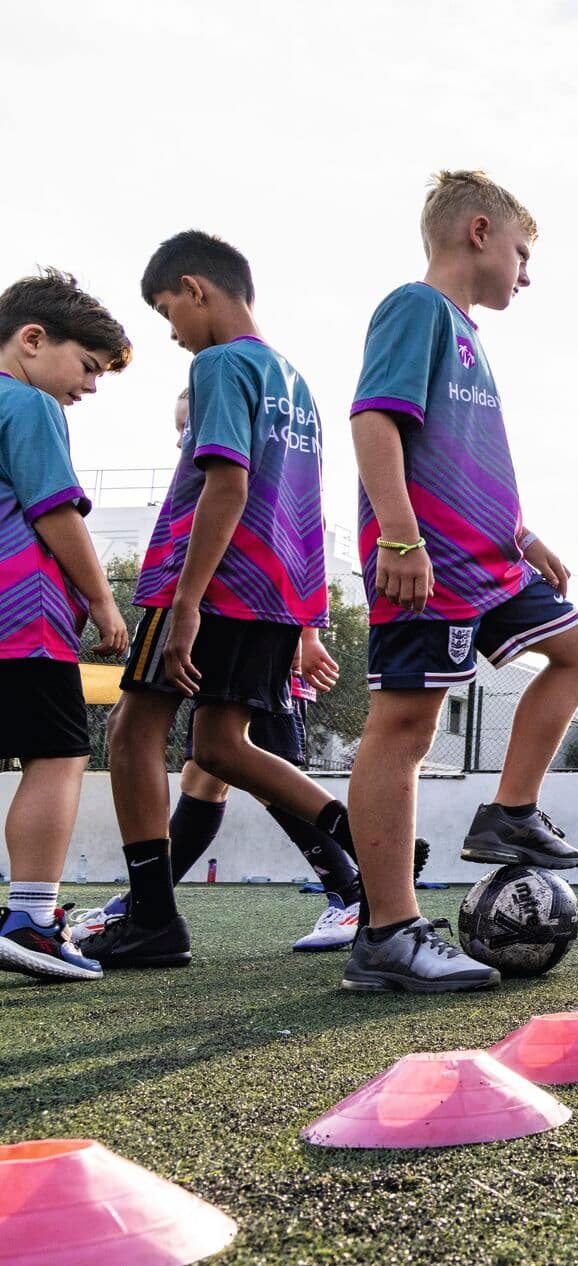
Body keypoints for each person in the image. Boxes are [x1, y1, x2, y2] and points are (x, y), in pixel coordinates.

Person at [344, 170, 578, 993]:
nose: (527, 274)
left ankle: (509, 814)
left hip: (488, 561)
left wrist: (521, 533)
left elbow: (463, 455)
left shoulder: (464, 333)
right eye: (523, 253)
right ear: (479, 232)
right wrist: (399, 535)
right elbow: (375, 419)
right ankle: (388, 932)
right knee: (406, 730)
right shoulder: (413, 308)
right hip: (427, 563)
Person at [91, 230, 362, 971]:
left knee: (131, 732)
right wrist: (304, 612)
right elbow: (301, 501)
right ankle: (357, 835)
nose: (171, 332)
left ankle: (151, 918)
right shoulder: (295, 380)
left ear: (197, 287)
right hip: (276, 591)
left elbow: (228, 484)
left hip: (210, 585)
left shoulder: (219, 363)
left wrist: (185, 602)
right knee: (217, 748)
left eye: (166, 309)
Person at [74, 389, 426, 954]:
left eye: (188, 429)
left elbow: (260, 508)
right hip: (251, 609)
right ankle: (151, 903)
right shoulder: (291, 417)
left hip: (233, 607)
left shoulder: (230, 392)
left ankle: (349, 886)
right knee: (207, 765)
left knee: (171, 742)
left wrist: (305, 632)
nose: (185, 440)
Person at [0, 269, 132, 983]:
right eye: (86, 366)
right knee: (56, 755)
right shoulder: (27, 405)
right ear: (31, 339)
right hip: (21, 618)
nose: (88, 385)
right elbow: (55, 511)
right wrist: (103, 602)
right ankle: (35, 917)